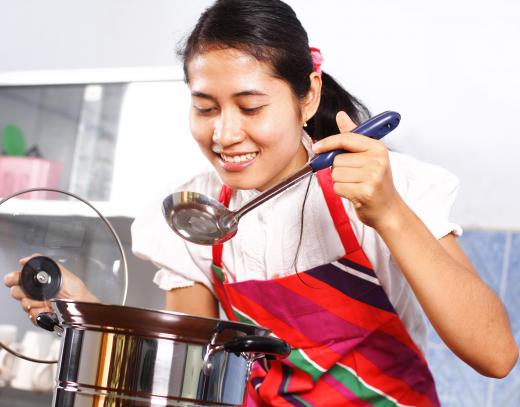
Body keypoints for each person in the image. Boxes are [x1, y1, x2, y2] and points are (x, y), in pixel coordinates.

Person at [5, 0, 518, 405]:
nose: (225, 134)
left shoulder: (388, 185)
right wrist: (87, 315)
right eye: (205, 108)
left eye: (250, 106)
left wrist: (390, 213)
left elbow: (496, 356)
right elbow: (191, 370)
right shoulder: (194, 209)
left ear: (308, 96)